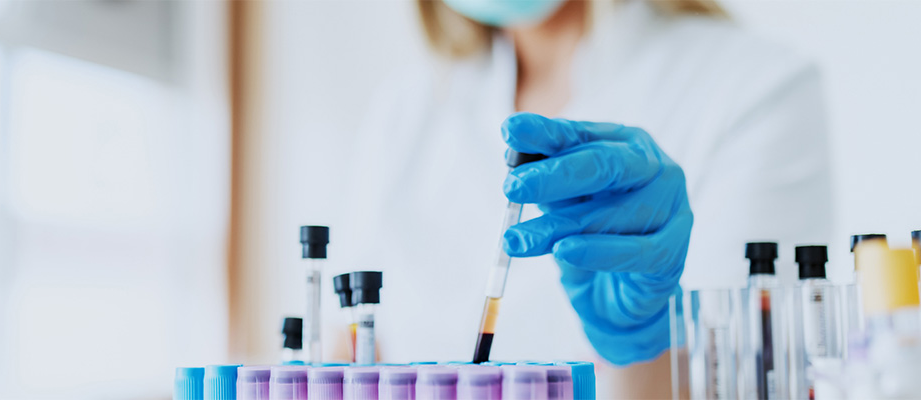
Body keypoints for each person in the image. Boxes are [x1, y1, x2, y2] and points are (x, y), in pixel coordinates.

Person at [338, 0, 832, 396]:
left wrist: (638, 346)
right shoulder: (404, 114)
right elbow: (351, 350)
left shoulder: (755, 88)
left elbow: (755, 379)